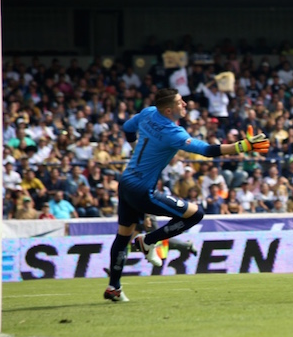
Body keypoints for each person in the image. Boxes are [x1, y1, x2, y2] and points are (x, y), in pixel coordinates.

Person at [104, 88, 269, 302]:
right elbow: (208, 150)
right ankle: (148, 240)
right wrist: (243, 146)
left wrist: (136, 149)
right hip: (142, 190)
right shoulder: (173, 133)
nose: (185, 105)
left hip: (126, 182)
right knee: (195, 214)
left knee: (122, 235)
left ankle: (113, 287)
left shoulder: (148, 113)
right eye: (181, 102)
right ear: (169, 109)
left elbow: (127, 129)